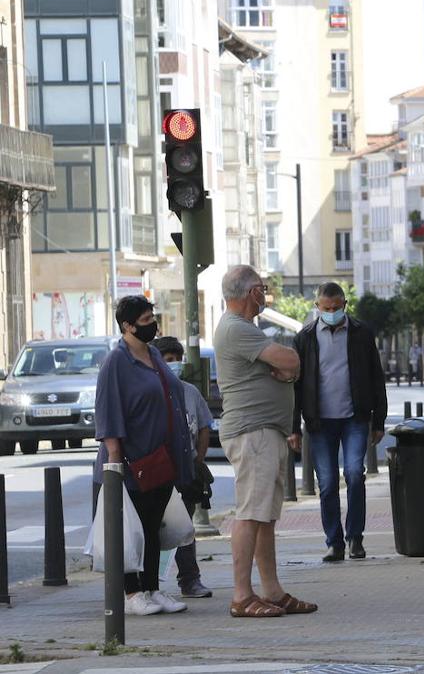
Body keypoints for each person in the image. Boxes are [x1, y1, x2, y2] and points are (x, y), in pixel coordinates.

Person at [215, 265, 317, 619]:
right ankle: (242, 595)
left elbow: (292, 366)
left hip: (265, 431)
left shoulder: (248, 329)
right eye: (261, 287)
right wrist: (288, 367)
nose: (265, 293)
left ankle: (271, 590)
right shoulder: (236, 329)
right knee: (251, 514)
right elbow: (290, 360)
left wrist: (290, 369)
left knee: (265, 516)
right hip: (252, 431)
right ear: (248, 292)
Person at [93, 297, 195, 616]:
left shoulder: (152, 355)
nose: (153, 323)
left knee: (153, 527)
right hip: (131, 461)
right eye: (146, 318)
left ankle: (152, 587)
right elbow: (108, 412)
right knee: (129, 529)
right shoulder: (116, 362)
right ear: (128, 325)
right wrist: (114, 462)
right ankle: (132, 591)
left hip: (161, 458)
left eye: (153, 316)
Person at [292, 282, 387, 562]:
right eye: (326, 308)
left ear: (345, 305)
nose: (332, 313)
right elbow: (296, 386)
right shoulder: (305, 338)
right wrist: (292, 427)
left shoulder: (361, 333)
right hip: (319, 423)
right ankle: (334, 542)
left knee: (356, 474)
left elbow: (375, 377)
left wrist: (378, 420)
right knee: (328, 482)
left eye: (336, 308)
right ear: (317, 307)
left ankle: (355, 538)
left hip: (355, 418)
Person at [153, 336, 214, 600]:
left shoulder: (190, 392)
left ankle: (190, 580)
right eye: (168, 360)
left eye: (178, 359)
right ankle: (148, 585)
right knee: (154, 529)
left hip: (185, 471)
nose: (174, 364)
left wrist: (198, 460)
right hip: (157, 471)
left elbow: (204, 426)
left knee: (185, 528)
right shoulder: (151, 390)